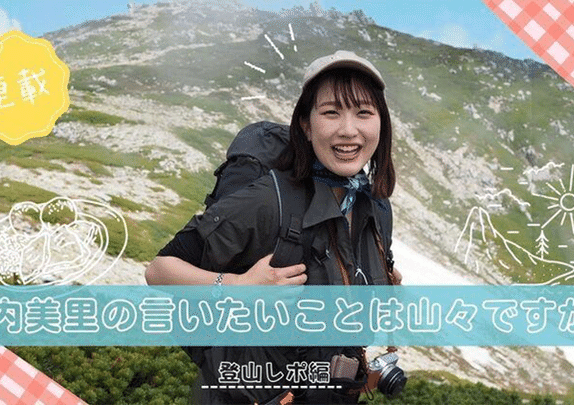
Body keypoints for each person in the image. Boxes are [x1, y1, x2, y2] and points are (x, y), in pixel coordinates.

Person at [146, 50, 400, 404]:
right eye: (331, 112)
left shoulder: (375, 207)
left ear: (381, 124)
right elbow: (159, 271)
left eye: (364, 113)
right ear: (306, 125)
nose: (348, 130)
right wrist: (237, 286)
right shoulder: (269, 200)